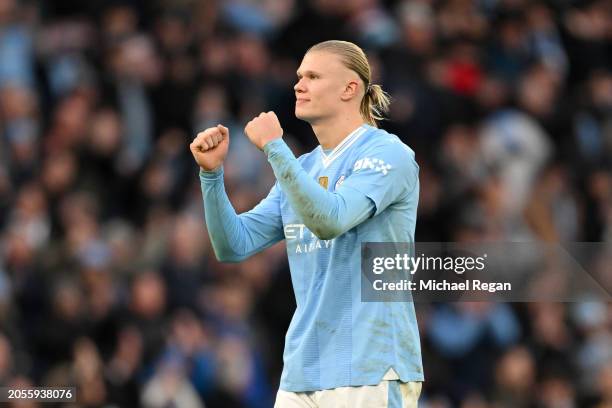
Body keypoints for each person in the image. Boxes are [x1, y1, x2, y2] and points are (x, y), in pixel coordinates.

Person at [190, 40, 423, 407]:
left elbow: (330, 220)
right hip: (303, 371)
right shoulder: (304, 169)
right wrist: (211, 175)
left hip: (370, 366)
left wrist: (275, 148)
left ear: (350, 88)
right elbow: (233, 244)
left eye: (313, 76)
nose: (298, 85)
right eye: (299, 76)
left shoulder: (387, 154)